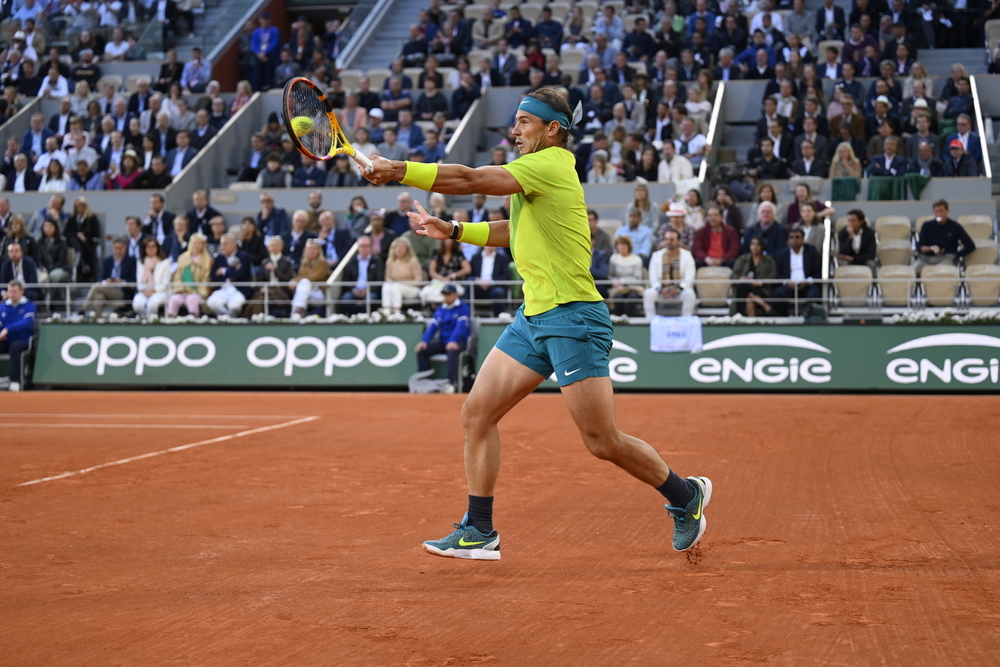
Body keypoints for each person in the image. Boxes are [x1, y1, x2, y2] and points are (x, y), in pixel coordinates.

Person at [363, 87, 712, 558]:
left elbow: (467, 180)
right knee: (477, 413)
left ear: (553, 130)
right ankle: (480, 530)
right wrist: (456, 231)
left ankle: (685, 496)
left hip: (573, 318)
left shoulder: (549, 164)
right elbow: (516, 230)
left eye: (525, 122)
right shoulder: (535, 174)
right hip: (534, 317)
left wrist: (400, 169)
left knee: (602, 442)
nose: (514, 129)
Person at [415, 283, 470, 392]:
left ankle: (450, 383)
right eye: (444, 295)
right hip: (444, 342)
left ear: (455, 295)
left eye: (448, 295)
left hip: (460, 342)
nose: (445, 297)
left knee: (452, 349)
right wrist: (424, 341)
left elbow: (461, 327)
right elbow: (433, 327)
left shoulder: (463, 308)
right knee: (422, 350)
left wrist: (453, 340)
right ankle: (424, 382)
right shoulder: (441, 309)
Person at [914, 199, 976, 277]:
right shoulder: (927, 225)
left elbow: (970, 246)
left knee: (943, 272)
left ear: (947, 211)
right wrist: (931, 248)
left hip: (945, 258)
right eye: (936, 211)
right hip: (927, 259)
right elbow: (920, 247)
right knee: (913, 270)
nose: (939, 214)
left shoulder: (955, 226)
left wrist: (955, 255)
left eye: (941, 211)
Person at [643, 228, 696, 317]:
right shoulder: (656, 255)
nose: (669, 242)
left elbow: (689, 278)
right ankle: (650, 322)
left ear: (678, 241)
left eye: (672, 239)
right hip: (661, 290)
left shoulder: (687, 255)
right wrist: (661, 290)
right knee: (648, 294)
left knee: (689, 294)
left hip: (680, 290)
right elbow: (653, 278)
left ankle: (686, 321)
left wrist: (678, 289)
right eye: (666, 239)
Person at [80, 236, 137, 317]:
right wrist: (106, 281)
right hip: (107, 289)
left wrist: (122, 282)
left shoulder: (131, 261)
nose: (118, 251)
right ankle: (98, 321)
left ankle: (82, 311)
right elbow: (101, 278)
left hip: (122, 292)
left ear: (125, 248)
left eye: (120, 248)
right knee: (98, 297)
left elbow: (134, 279)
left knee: (95, 287)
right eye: (116, 248)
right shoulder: (107, 261)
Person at [772, 228, 821, 316]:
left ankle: (810, 319)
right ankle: (784, 319)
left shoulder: (811, 251)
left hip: (807, 284)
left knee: (814, 294)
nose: (794, 240)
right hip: (789, 285)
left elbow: (819, 271)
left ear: (803, 239)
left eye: (797, 237)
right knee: (777, 295)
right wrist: (786, 282)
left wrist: (807, 281)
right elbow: (778, 273)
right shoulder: (782, 254)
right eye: (791, 237)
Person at [0, 280, 35, 391]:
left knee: (15, 347)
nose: (12, 294)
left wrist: (8, 329)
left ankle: (15, 381)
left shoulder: (29, 306)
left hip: (22, 339)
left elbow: (27, 324)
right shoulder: (3, 306)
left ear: (21, 292)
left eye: (14, 291)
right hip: (6, 339)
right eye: (10, 291)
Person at [167, 233, 212, 317]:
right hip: (182, 291)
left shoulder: (207, 259)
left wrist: (195, 291)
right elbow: (178, 277)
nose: (197, 245)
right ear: (190, 243)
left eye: (200, 243)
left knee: (192, 299)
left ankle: (193, 321)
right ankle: (171, 322)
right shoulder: (182, 258)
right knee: (174, 300)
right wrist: (181, 290)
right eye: (195, 242)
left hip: (198, 292)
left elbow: (206, 279)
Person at [206, 234, 252, 317]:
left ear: (234, 244)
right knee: (212, 302)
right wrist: (233, 272)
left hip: (239, 289)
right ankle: (228, 319)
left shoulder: (243, 256)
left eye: (225, 244)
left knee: (234, 306)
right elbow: (214, 276)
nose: (222, 247)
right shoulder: (219, 258)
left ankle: (230, 321)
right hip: (223, 289)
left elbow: (240, 274)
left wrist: (224, 271)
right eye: (221, 244)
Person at [731, 237, 776, 316]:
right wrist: (742, 278)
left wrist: (759, 283)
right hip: (743, 289)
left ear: (762, 246)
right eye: (753, 244)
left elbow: (773, 276)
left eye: (758, 244)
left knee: (743, 287)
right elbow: (733, 276)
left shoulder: (769, 260)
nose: (755, 247)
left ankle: (745, 320)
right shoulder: (742, 259)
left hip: (761, 289)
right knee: (745, 289)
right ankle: (764, 305)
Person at [382, 237, 425, 314]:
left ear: (407, 249)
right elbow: (387, 277)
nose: (399, 249)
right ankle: (387, 309)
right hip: (395, 287)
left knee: (396, 286)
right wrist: (392, 282)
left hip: (412, 289)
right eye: (397, 247)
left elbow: (419, 280)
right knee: (386, 285)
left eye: (402, 247)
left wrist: (401, 283)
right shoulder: (390, 261)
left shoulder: (413, 261)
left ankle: (397, 311)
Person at [132, 237, 172, 319]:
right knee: (137, 303)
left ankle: (151, 322)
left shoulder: (165, 262)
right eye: (148, 247)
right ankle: (143, 320)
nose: (151, 249)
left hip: (160, 291)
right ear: (144, 248)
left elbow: (165, 283)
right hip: (145, 291)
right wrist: (143, 290)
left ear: (157, 248)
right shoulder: (140, 262)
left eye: (153, 246)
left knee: (152, 303)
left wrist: (153, 290)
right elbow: (139, 282)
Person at [606, 235, 645, 316]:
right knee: (618, 298)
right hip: (618, 288)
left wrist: (623, 281)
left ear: (629, 246)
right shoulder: (614, 258)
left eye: (624, 245)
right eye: (619, 245)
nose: (621, 247)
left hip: (633, 287)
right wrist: (614, 281)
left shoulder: (636, 259)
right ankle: (618, 320)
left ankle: (629, 320)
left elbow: (638, 278)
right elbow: (610, 275)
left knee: (632, 298)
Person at [836, 209, 877, 273]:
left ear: (861, 221)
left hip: (864, 260)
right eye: (849, 221)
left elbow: (871, 254)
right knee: (843, 264)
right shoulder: (842, 232)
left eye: (853, 221)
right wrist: (850, 237)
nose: (850, 223)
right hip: (848, 260)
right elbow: (843, 252)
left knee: (871, 264)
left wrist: (853, 259)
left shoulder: (869, 233)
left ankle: (873, 283)